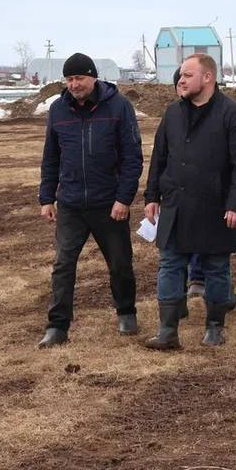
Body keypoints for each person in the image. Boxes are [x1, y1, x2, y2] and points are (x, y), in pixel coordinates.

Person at [142, 53, 236, 349]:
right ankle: (167, 331)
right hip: (176, 204)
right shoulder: (172, 113)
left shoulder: (233, 114)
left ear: (208, 77)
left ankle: (215, 327)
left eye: (187, 75)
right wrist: (151, 196)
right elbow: (159, 157)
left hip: (216, 206)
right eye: (180, 75)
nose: (181, 80)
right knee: (169, 264)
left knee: (216, 267)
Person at [37, 52, 143, 348]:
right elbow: (51, 157)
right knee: (63, 265)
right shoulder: (58, 110)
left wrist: (123, 199)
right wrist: (47, 197)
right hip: (71, 203)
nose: (74, 84)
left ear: (93, 77)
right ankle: (57, 326)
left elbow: (132, 157)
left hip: (108, 204)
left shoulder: (119, 106)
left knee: (120, 263)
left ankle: (126, 312)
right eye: (69, 79)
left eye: (79, 78)